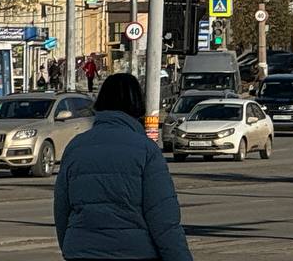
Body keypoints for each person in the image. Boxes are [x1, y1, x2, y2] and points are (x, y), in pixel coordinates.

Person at [54, 73, 192, 261]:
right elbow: (163, 220)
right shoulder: (146, 150)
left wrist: (73, 247)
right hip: (134, 251)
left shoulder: (75, 147)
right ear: (137, 104)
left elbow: (62, 211)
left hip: (82, 251)